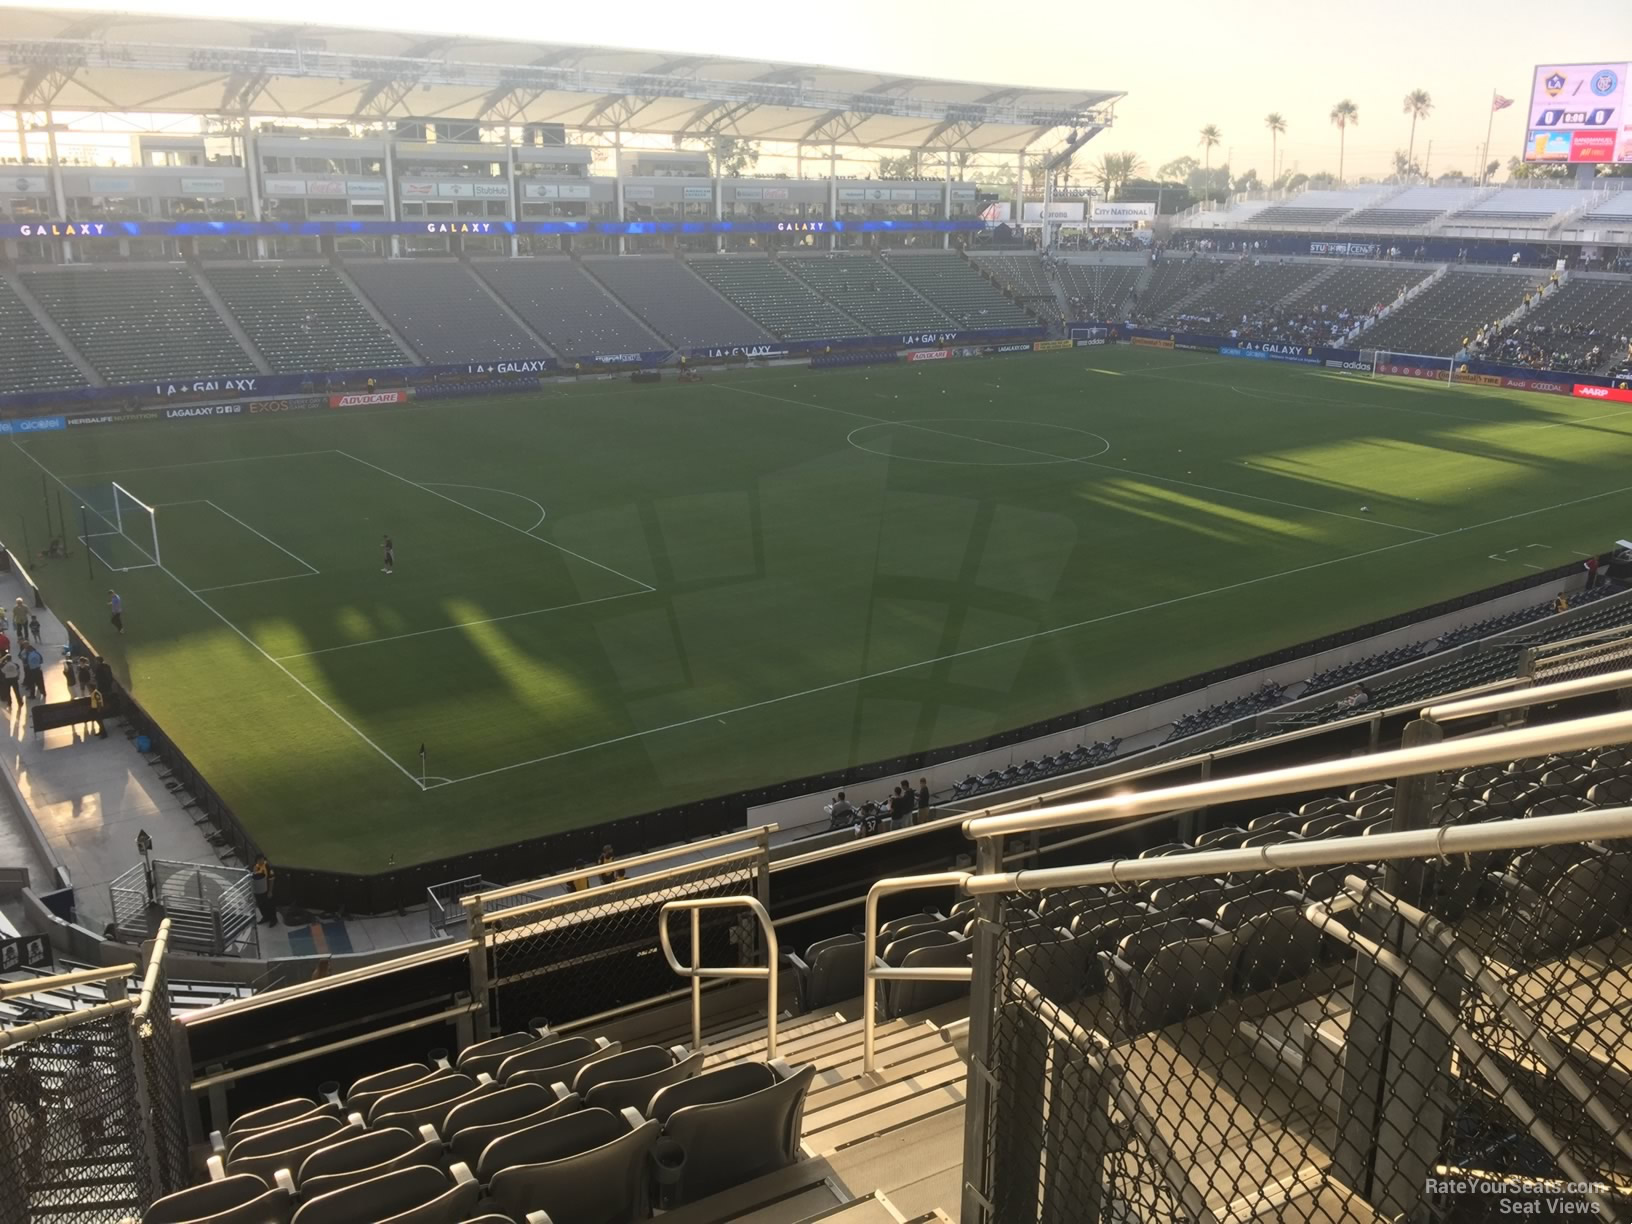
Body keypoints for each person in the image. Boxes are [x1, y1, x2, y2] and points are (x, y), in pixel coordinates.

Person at [251, 855, 277, 926]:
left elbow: (271, 879)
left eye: (261, 859)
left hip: (267, 890)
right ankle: (265, 917)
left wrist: (270, 891)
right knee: (261, 905)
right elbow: (252, 878)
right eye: (258, 860)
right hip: (258, 891)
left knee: (270, 905)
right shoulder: (254, 866)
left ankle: (273, 919)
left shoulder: (268, 867)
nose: (260, 861)